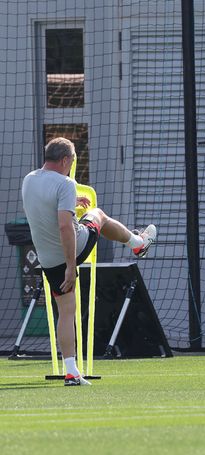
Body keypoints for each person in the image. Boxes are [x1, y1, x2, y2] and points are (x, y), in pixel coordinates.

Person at [22, 137, 157, 385]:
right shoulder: (65, 183)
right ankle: (138, 244)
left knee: (66, 312)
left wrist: (70, 203)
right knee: (98, 214)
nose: (71, 165)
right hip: (73, 249)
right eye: (71, 161)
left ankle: (71, 371)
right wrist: (72, 267)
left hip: (48, 259)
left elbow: (43, 205)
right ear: (65, 160)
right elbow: (65, 227)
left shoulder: (29, 179)